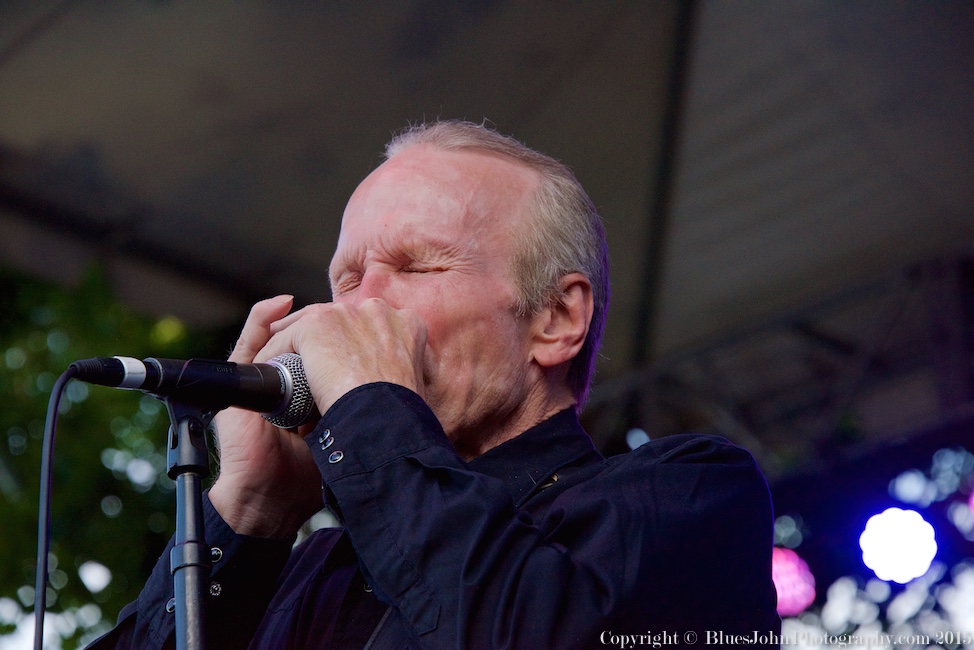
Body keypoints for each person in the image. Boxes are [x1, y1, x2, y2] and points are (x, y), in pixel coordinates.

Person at [90, 120, 779, 649]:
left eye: (418, 267)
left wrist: (368, 411)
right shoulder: (310, 570)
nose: (359, 307)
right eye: (348, 279)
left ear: (557, 318)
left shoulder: (689, 496)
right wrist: (250, 506)